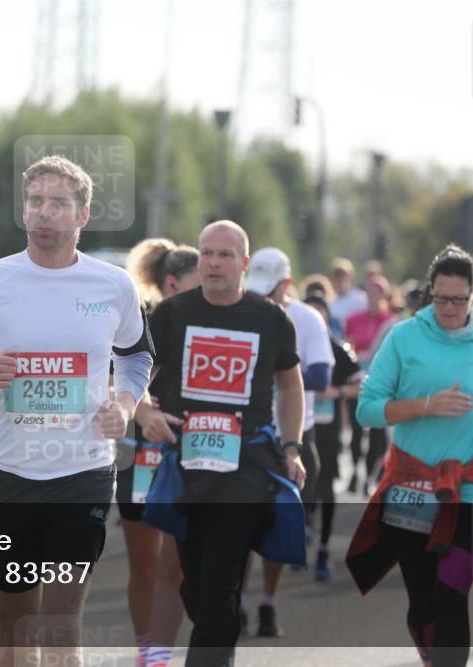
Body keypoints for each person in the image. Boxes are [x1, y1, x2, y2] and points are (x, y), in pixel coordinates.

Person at [0, 155, 153, 667]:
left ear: (82, 215)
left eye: (58, 203)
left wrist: (124, 402)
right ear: (24, 211)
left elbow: (137, 354)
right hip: (9, 474)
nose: (44, 212)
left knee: (61, 619)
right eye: (35, 202)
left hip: (84, 473)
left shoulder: (112, 284)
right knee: (18, 626)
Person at [347, 244, 473, 667]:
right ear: (429, 293)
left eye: (458, 299)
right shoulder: (405, 336)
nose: (448, 308)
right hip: (412, 483)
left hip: (472, 485)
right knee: (424, 603)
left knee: (453, 597)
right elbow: (366, 410)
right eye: (440, 298)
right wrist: (425, 405)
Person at [134, 220, 306, 666]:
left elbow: (290, 386)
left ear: (244, 264)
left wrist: (292, 447)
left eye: (224, 255)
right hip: (187, 469)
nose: (213, 262)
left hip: (245, 471)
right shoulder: (172, 314)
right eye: (207, 253)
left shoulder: (270, 320)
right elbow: (134, 377)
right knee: (196, 586)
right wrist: (146, 412)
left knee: (217, 590)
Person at [242, 247, 333, 637]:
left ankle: (268, 601)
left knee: (275, 528)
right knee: (240, 527)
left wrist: (279, 374)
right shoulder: (240, 309)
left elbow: (322, 374)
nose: (263, 297)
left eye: (270, 290)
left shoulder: (306, 318)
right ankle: (239, 602)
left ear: (287, 284)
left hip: (293, 434)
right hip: (248, 434)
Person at [119, 238, 199, 667]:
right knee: (144, 566)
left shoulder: (209, 324)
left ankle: (162, 652)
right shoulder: (142, 321)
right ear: (171, 284)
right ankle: (146, 649)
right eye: (196, 286)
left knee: (177, 567)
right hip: (141, 456)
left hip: (191, 454)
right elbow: (122, 379)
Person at [302, 292, 363, 581]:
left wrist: (334, 392)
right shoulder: (292, 346)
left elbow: (360, 385)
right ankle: (303, 531)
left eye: (320, 314)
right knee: (302, 490)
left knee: (325, 488)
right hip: (299, 430)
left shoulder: (337, 350)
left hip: (327, 432)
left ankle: (324, 549)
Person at [344, 275, 395, 495]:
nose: (373, 298)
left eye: (378, 294)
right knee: (356, 431)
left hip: (381, 382)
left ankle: (371, 475)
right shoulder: (354, 319)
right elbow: (347, 348)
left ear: (385, 296)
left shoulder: (391, 321)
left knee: (378, 432)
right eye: (370, 293)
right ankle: (355, 469)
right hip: (358, 379)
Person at [328, 258, 367, 339]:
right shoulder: (329, 303)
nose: (340, 280)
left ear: (350, 277)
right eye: (337, 276)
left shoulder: (360, 299)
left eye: (343, 276)